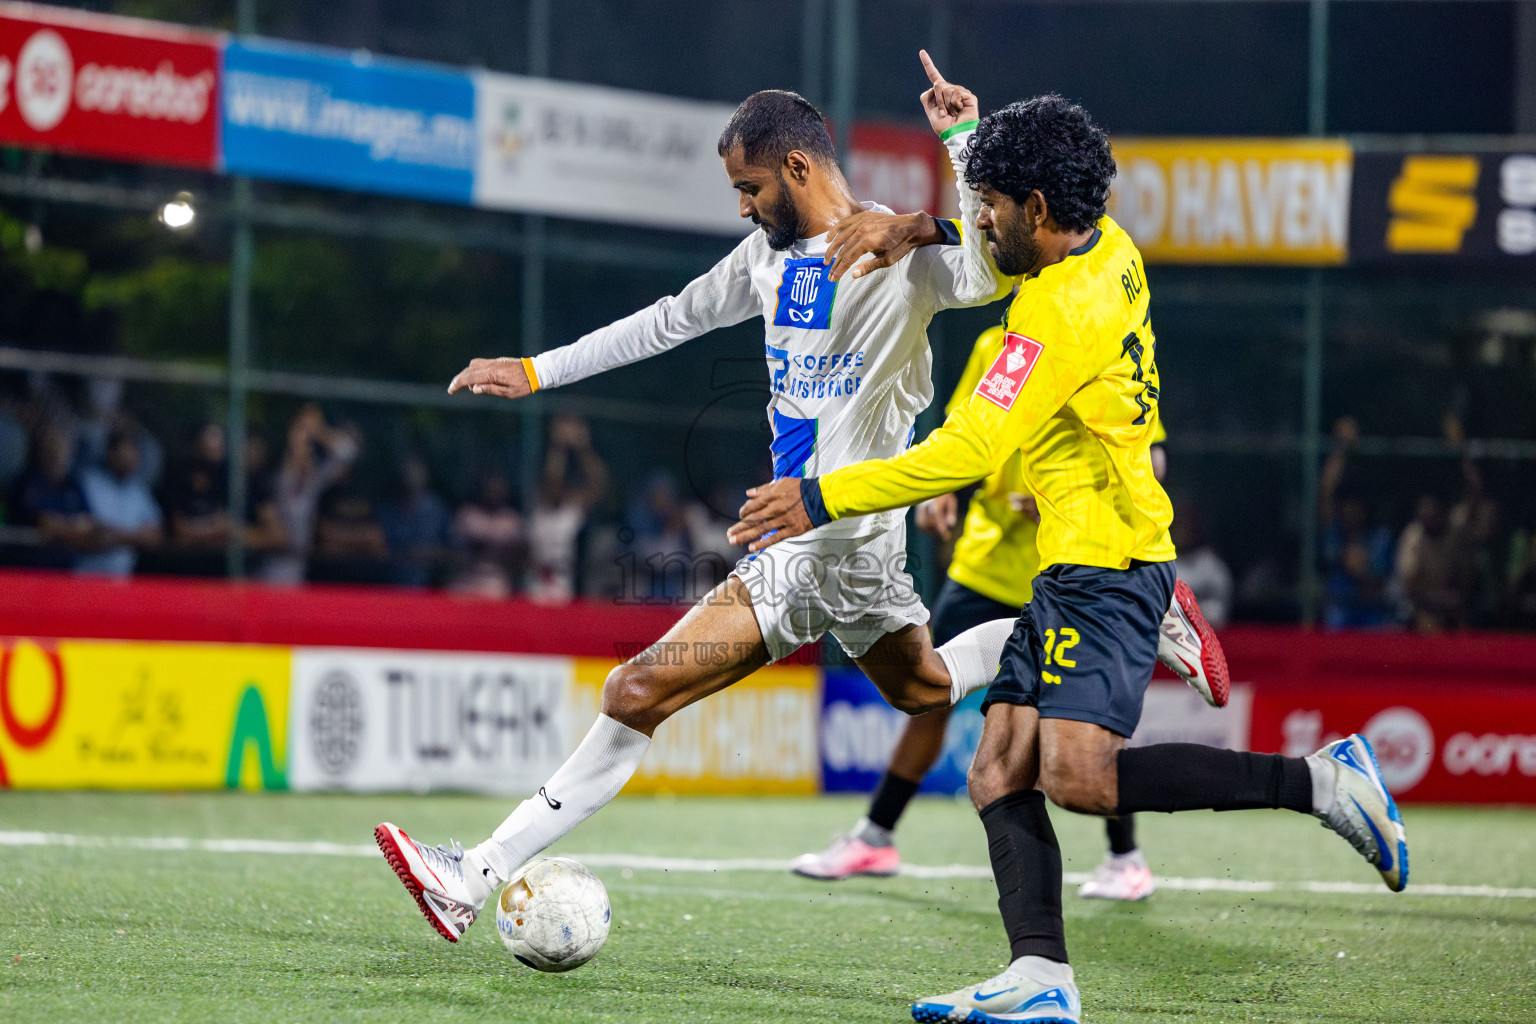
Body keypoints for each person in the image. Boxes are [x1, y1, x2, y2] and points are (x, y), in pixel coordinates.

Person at [730, 63, 1407, 1024]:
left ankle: (1324, 783)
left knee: (1078, 779)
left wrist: (817, 494)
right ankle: (1042, 978)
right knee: (996, 769)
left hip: (1110, 562)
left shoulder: (1055, 313)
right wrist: (964, 152)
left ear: (1037, 206)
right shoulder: (1105, 246)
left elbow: (967, 449)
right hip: (1079, 554)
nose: (985, 227)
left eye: (996, 208)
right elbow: (984, 243)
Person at [374, 85, 1022, 944]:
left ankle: (473, 874)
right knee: (926, 686)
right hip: (848, 549)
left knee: (635, 687)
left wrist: (960, 149)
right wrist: (535, 371)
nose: (746, 207)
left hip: (826, 542)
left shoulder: (899, 256)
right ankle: (1101, 618)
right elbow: (666, 322)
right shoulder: (765, 261)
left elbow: (997, 266)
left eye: (751, 188)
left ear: (798, 165)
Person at [791, 321, 1227, 904]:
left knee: (1081, 716)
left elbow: (1151, 460)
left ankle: (1126, 858)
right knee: (930, 693)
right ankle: (876, 836)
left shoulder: (1095, 340)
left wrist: (1063, 502)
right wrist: (939, 493)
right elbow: (960, 433)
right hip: (985, 563)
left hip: (1071, 563)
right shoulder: (993, 347)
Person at [259, 404, 358, 586]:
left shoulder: (311, 486)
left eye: (311, 449)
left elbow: (348, 451)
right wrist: (301, 432)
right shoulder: (275, 479)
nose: (307, 452)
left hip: (296, 574)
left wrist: (318, 431)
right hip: (266, 573)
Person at [527, 415, 608, 604]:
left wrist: (582, 448)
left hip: (565, 585)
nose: (555, 487)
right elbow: (552, 478)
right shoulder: (538, 510)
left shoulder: (569, 513)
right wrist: (558, 447)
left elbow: (598, 482)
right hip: (534, 585)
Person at [76, 428, 163, 577]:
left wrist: (115, 537)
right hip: (85, 578)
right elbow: (88, 530)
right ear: (111, 452)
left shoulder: (138, 490)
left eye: (135, 452)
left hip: (121, 581)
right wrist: (134, 537)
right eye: (126, 452)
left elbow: (154, 535)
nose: (132, 458)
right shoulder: (89, 481)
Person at [447, 469, 525, 599]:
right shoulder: (467, 515)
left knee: (496, 590)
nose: (493, 492)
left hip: (496, 578)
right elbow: (455, 553)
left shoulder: (511, 520)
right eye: (490, 488)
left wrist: (487, 546)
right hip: (468, 575)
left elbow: (517, 555)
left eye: (498, 488)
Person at [377, 455, 451, 588]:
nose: (411, 478)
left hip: (430, 585)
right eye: (407, 474)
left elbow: (451, 549)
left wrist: (429, 553)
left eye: (416, 474)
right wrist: (404, 554)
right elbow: (376, 550)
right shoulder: (385, 510)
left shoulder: (436, 509)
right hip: (388, 585)